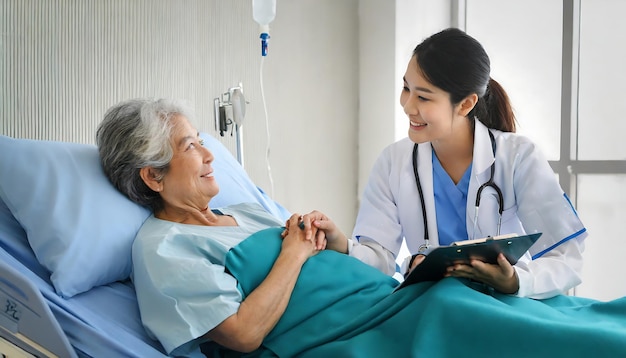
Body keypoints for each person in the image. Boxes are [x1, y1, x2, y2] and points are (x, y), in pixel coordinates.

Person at [97, 97, 625, 358]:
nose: (209, 154)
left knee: (545, 308)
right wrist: (293, 254)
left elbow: (329, 259)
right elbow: (241, 334)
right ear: (152, 175)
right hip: (349, 335)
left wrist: (334, 239)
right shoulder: (163, 247)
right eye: (191, 146)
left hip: (388, 297)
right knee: (479, 317)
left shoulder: (245, 212)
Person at [322, 27, 587, 299]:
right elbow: (379, 259)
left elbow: (566, 256)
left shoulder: (518, 157)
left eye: (423, 97)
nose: (408, 106)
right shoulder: (393, 162)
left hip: (505, 306)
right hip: (433, 305)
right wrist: (341, 243)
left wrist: (516, 281)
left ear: (465, 104)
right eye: (406, 88)